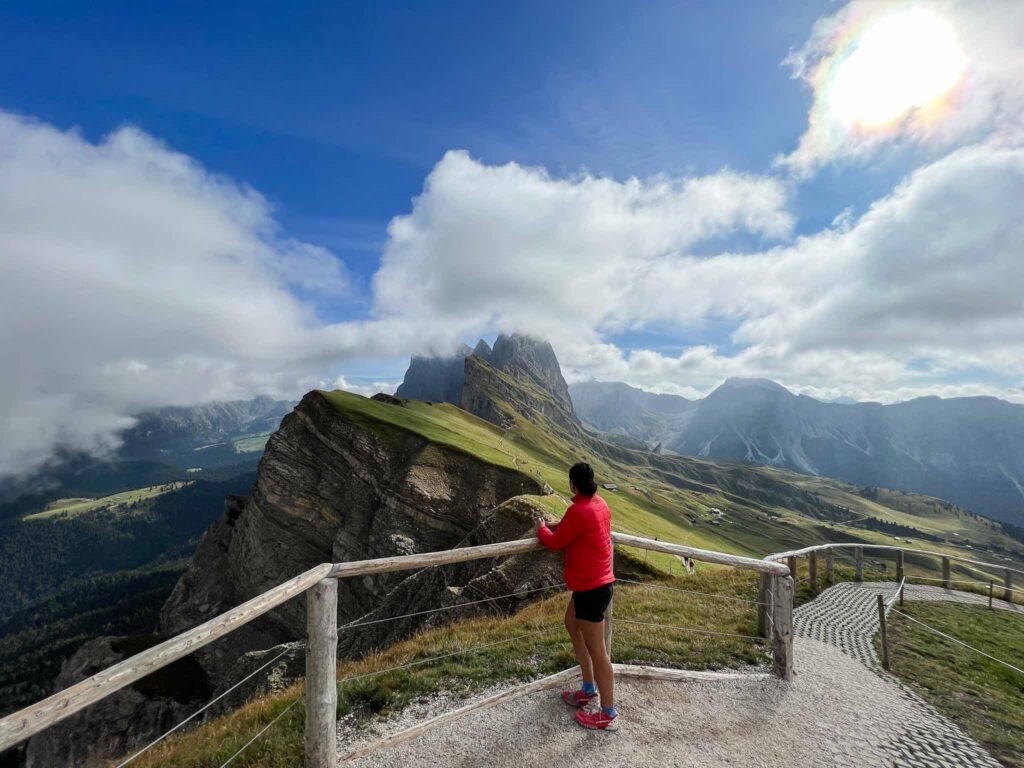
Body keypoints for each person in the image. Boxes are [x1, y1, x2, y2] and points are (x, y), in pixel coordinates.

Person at [536, 462, 617, 731]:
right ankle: (587, 687)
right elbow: (574, 526)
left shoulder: (579, 510)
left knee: (599, 652)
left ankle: (607, 712)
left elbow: (555, 542)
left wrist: (541, 528)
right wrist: (557, 524)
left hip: (592, 588)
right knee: (571, 624)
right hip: (593, 585)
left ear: (573, 484)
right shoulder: (599, 503)